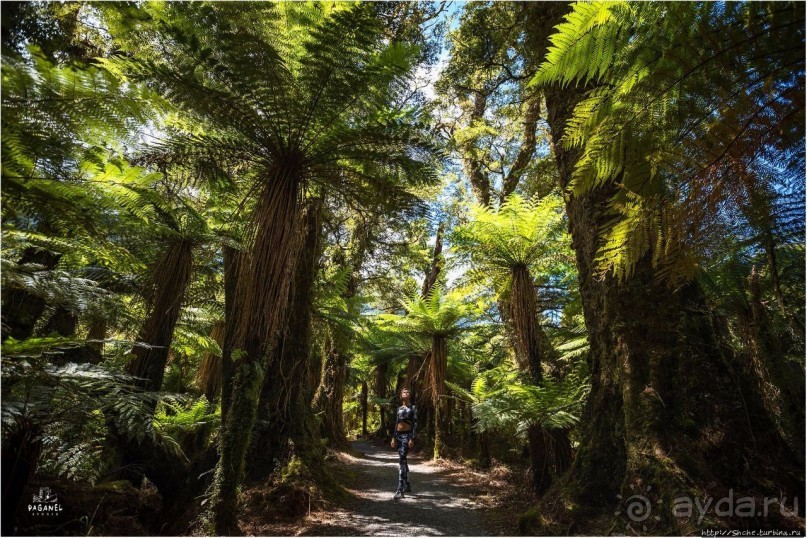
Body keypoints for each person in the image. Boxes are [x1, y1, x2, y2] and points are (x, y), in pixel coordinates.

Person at [389, 387, 417, 500]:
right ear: (401, 395)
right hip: (399, 436)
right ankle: (408, 484)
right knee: (403, 459)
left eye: (407, 392)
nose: (405, 393)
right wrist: (393, 438)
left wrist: (412, 438)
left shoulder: (413, 408)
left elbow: (415, 424)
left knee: (401, 460)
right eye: (403, 392)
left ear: (410, 395)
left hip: (407, 436)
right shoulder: (399, 409)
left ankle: (400, 490)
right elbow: (397, 423)